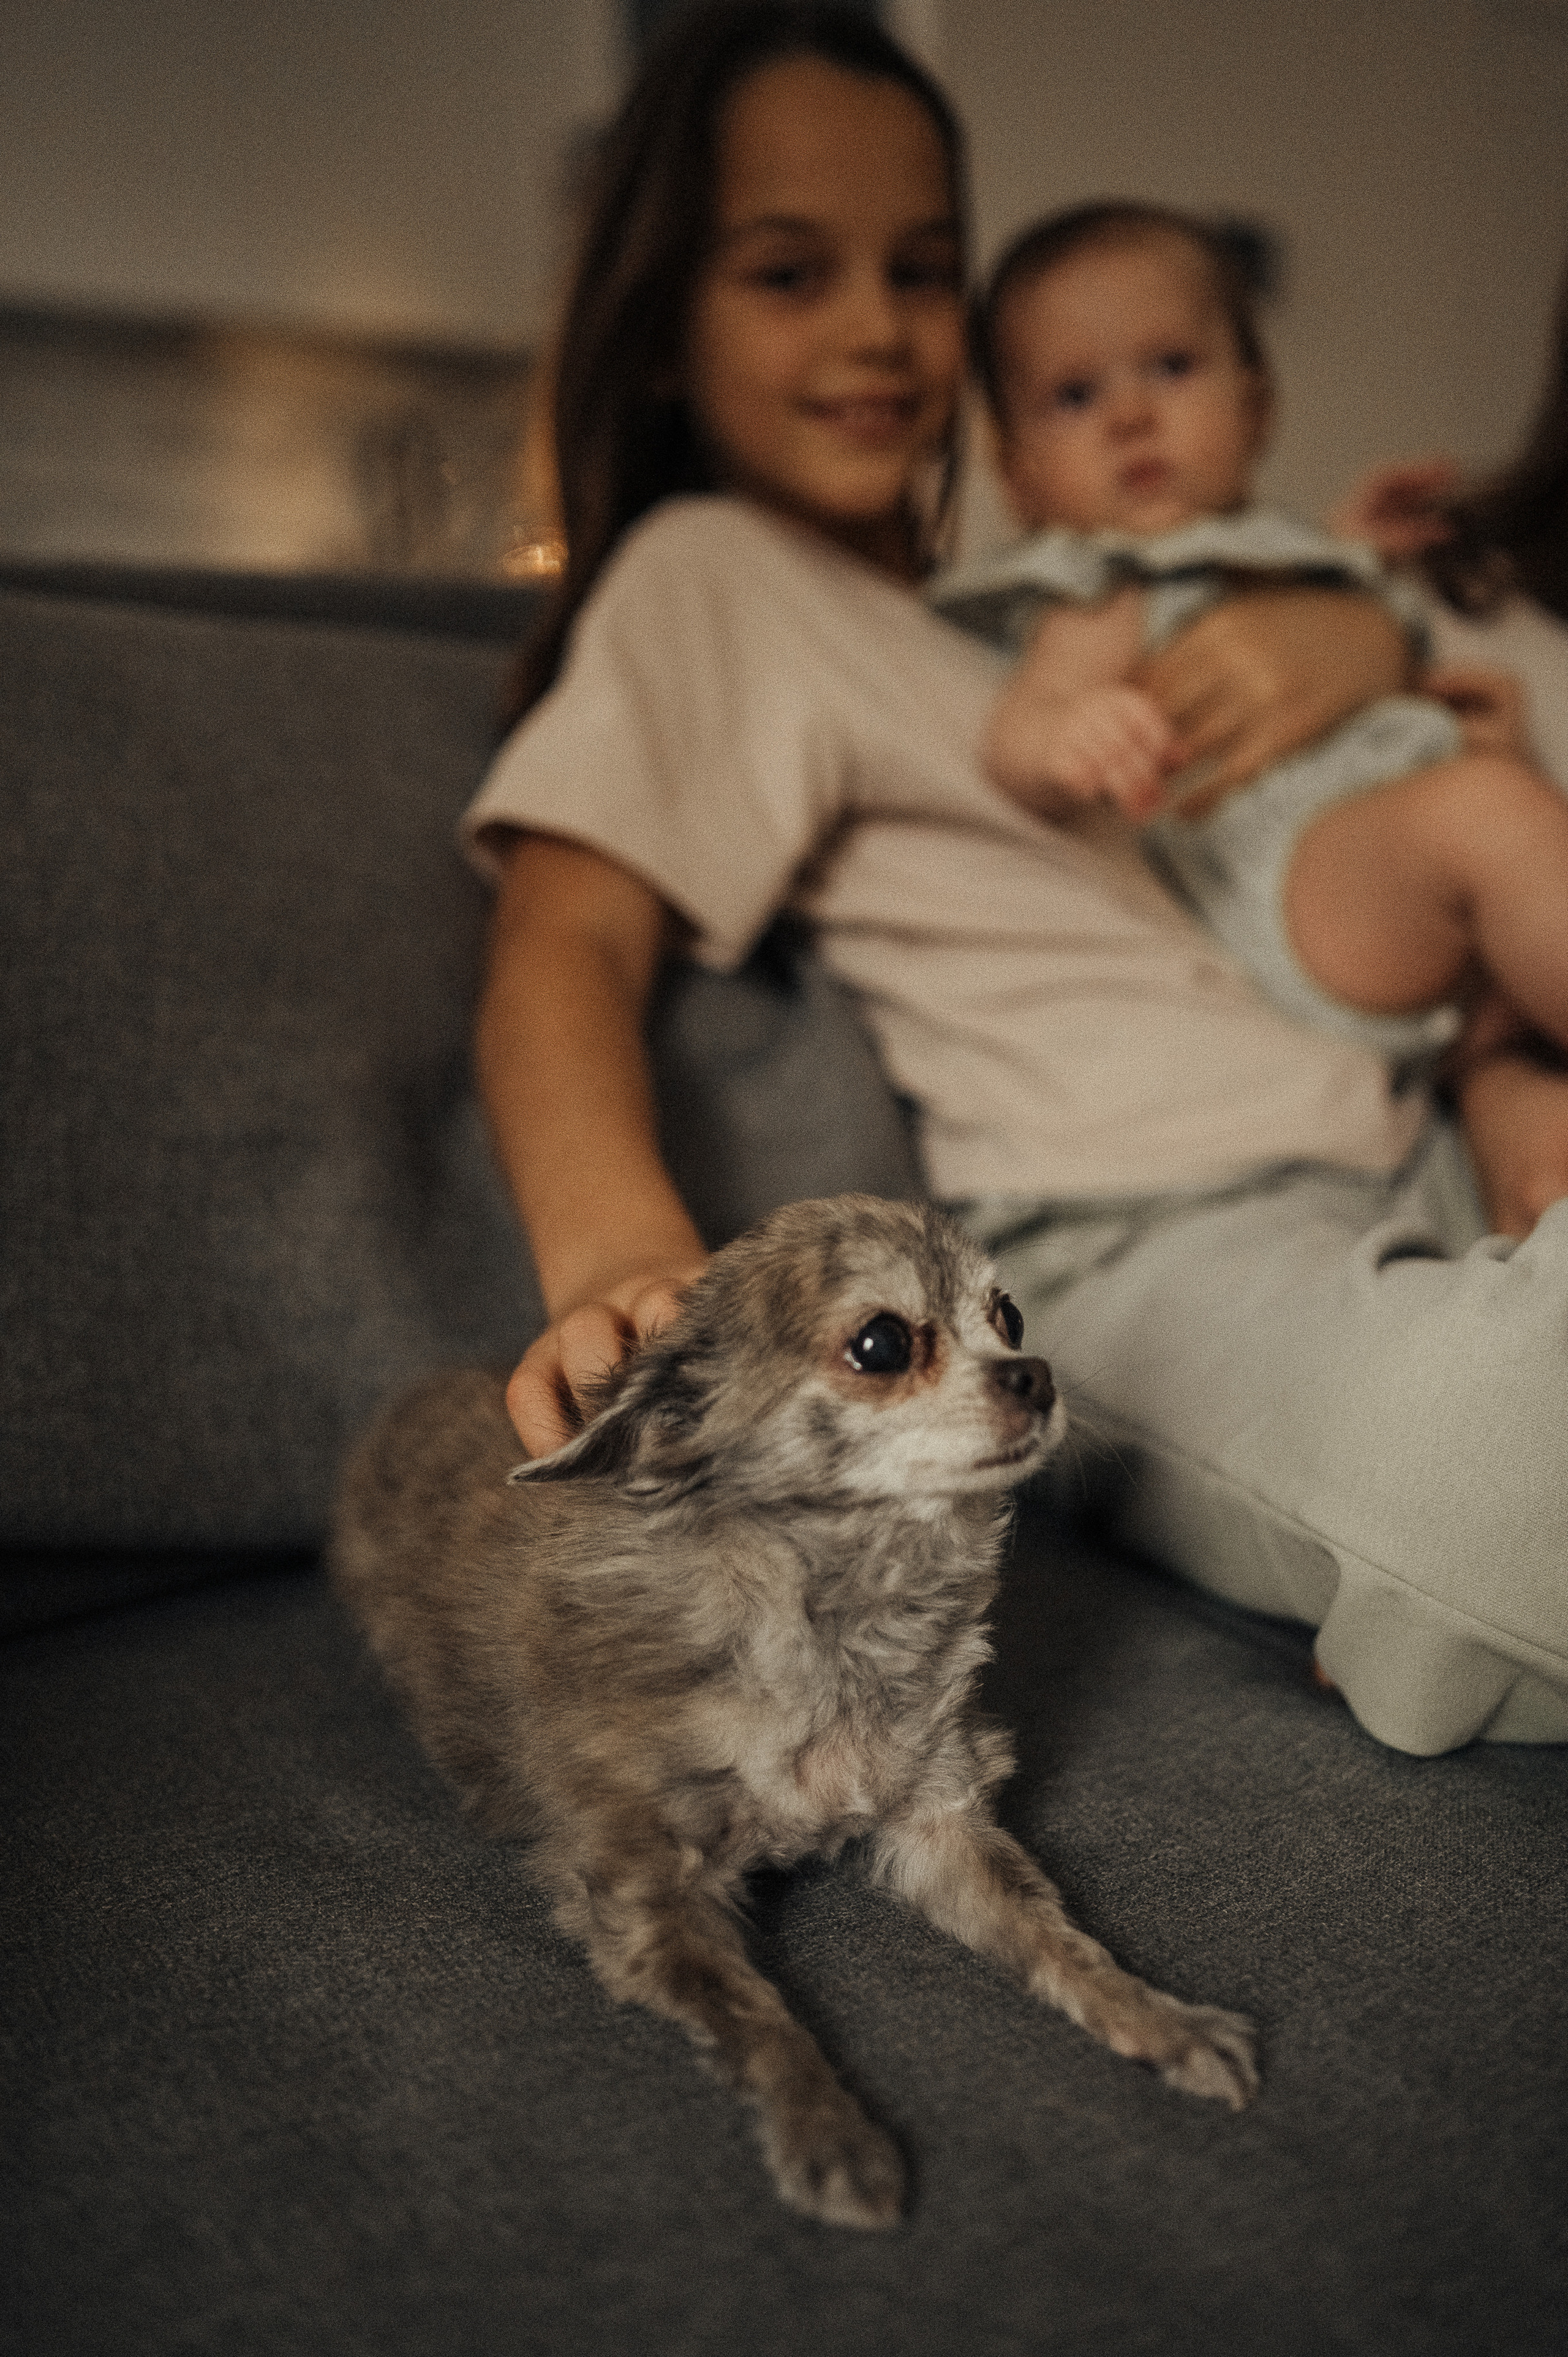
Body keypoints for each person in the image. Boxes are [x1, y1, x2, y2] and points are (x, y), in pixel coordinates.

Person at [462, 0, 1568, 1756]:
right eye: (786, 272)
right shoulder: (712, 580)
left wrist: (1355, 635)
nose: (878, 332)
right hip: (1158, 1230)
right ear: (663, 322)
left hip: (1414, 1111)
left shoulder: (1037, 606)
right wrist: (622, 1256)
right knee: (1508, 1476)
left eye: (921, 270)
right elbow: (564, 946)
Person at [933, 202, 1568, 1106]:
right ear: (1021, 473)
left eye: (1172, 367)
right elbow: (1022, 724)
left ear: (1256, 405)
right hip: (1294, 881)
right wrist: (1072, 736)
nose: (1131, 416)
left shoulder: (1264, 549)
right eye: (1075, 396)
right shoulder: (1105, 587)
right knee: (1491, 816)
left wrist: (1350, 543)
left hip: (1395, 870)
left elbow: (1263, 569)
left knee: (1505, 818)